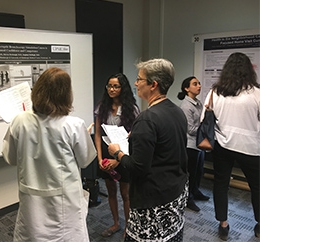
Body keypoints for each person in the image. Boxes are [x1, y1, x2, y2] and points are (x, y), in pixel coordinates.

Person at [2, 67, 97, 242]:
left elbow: (10, 158)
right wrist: (85, 135)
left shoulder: (19, 121)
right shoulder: (74, 125)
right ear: (65, 94)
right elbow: (85, 160)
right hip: (64, 200)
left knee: (32, 235)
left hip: (32, 200)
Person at [108, 58, 189, 242]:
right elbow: (166, 147)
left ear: (153, 84)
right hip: (175, 192)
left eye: (139, 79)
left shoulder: (147, 118)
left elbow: (138, 168)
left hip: (153, 203)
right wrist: (138, 136)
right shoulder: (176, 111)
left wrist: (117, 153)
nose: (135, 83)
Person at [202, 52, 260, 240]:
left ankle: (223, 224)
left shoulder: (215, 92)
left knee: (221, 184)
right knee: (258, 187)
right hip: (251, 148)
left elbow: (205, 119)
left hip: (223, 145)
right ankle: (260, 225)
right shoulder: (258, 93)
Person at [94, 73, 140, 237]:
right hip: (106, 153)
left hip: (124, 153)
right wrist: (100, 158)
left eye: (116, 86)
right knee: (111, 191)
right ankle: (115, 223)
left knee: (125, 194)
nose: (111, 89)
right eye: (109, 86)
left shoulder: (132, 109)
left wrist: (118, 160)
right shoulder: (102, 107)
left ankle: (129, 227)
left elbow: (133, 136)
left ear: (123, 88)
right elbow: (98, 134)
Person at [177, 76, 210, 213]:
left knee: (199, 171)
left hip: (199, 144)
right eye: (195, 84)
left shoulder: (198, 103)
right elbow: (190, 129)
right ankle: (188, 198)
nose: (199, 86)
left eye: (199, 83)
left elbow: (202, 121)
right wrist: (206, 130)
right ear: (186, 88)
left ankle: (195, 191)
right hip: (190, 144)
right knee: (190, 173)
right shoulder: (186, 106)